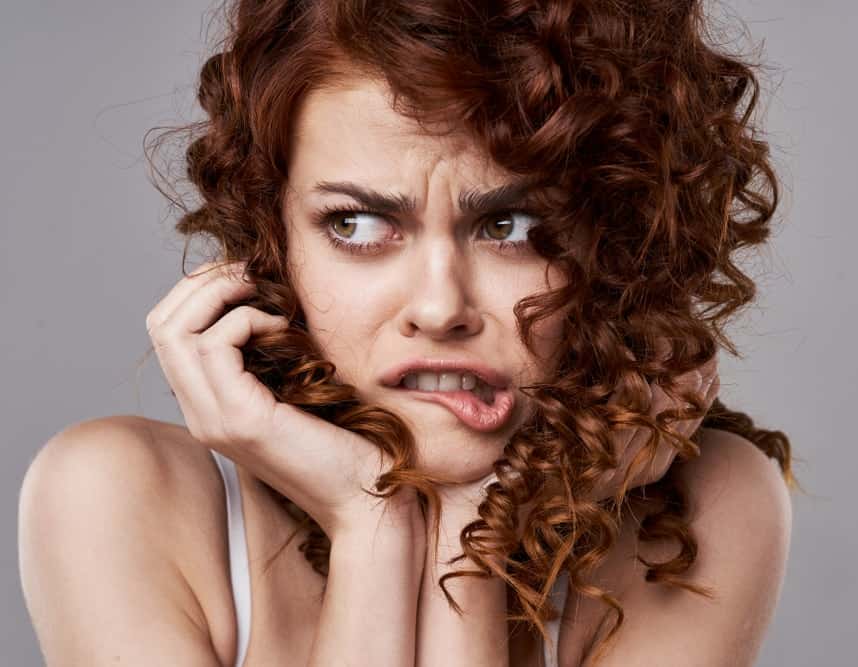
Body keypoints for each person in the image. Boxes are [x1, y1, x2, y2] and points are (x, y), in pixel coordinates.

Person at [19, 1, 799, 665]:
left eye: (513, 225)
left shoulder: (697, 512)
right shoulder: (117, 496)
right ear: (270, 243)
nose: (438, 307)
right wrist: (373, 520)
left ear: (623, 242)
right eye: (357, 224)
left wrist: (474, 534)